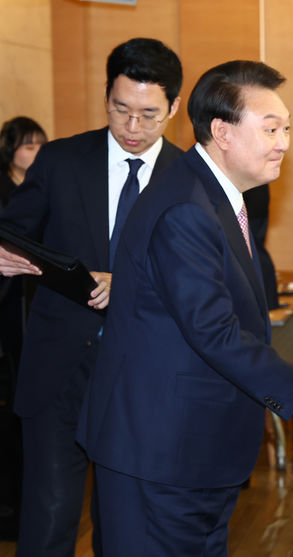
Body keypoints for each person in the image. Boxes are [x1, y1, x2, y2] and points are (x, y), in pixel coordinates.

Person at [77, 60, 293, 557]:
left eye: (286, 128)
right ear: (222, 132)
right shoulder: (187, 206)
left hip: (191, 451)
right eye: (270, 129)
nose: (284, 142)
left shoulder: (213, 195)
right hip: (160, 453)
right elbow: (214, 331)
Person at [0, 37, 184, 556]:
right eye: (120, 109)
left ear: (173, 107)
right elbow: (13, 233)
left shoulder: (190, 179)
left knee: (128, 531)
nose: (132, 128)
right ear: (106, 95)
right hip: (59, 370)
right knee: (50, 518)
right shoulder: (59, 161)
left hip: (144, 378)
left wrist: (131, 282)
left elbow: (205, 281)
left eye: (149, 115)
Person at [0, 115, 46, 539]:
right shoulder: (4, 195)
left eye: (39, 145)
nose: (35, 153)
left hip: (33, 305)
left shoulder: (42, 187)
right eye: (28, 146)